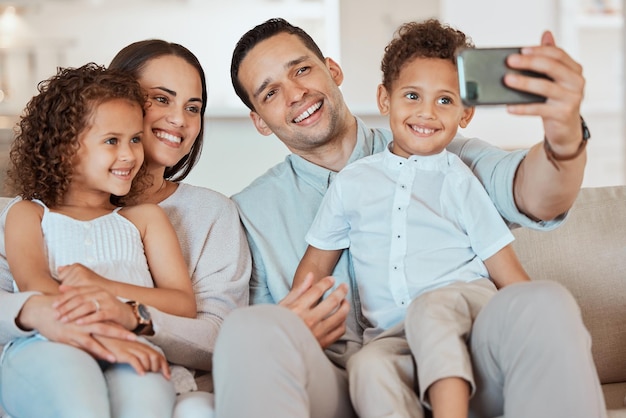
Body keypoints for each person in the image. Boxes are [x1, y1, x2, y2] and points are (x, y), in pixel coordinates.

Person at [213, 17, 605, 418]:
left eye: (301, 69)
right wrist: (286, 329)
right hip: (344, 378)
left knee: (543, 300)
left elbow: (533, 193)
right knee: (248, 331)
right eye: (271, 92)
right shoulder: (248, 214)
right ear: (259, 120)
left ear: (333, 71)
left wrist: (563, 132)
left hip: (470, 359)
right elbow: (250, 329)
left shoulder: (447, 155)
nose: (295, 93)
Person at [292, 19, 535, 418]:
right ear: (384, 99)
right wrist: (292, 323)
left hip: (464, 312)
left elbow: (505, 269)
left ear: (465, 113)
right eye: (411, 96)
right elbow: (314, 269)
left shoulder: (458, 178)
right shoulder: (353, 182)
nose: (427, 112)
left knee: (431, 309)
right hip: (391, 335)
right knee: (367, 368)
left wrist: (535, 323)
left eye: (444, 100)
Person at [0, 40, 251, 418]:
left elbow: (210, 328)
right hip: (52, 346)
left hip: (152, 365)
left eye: (193, 107)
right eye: (161, 99)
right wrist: (101, 331)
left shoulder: (175, 216)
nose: (180, 120)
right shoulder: (24, 214)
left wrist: (123, 309)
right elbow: (30, 290)